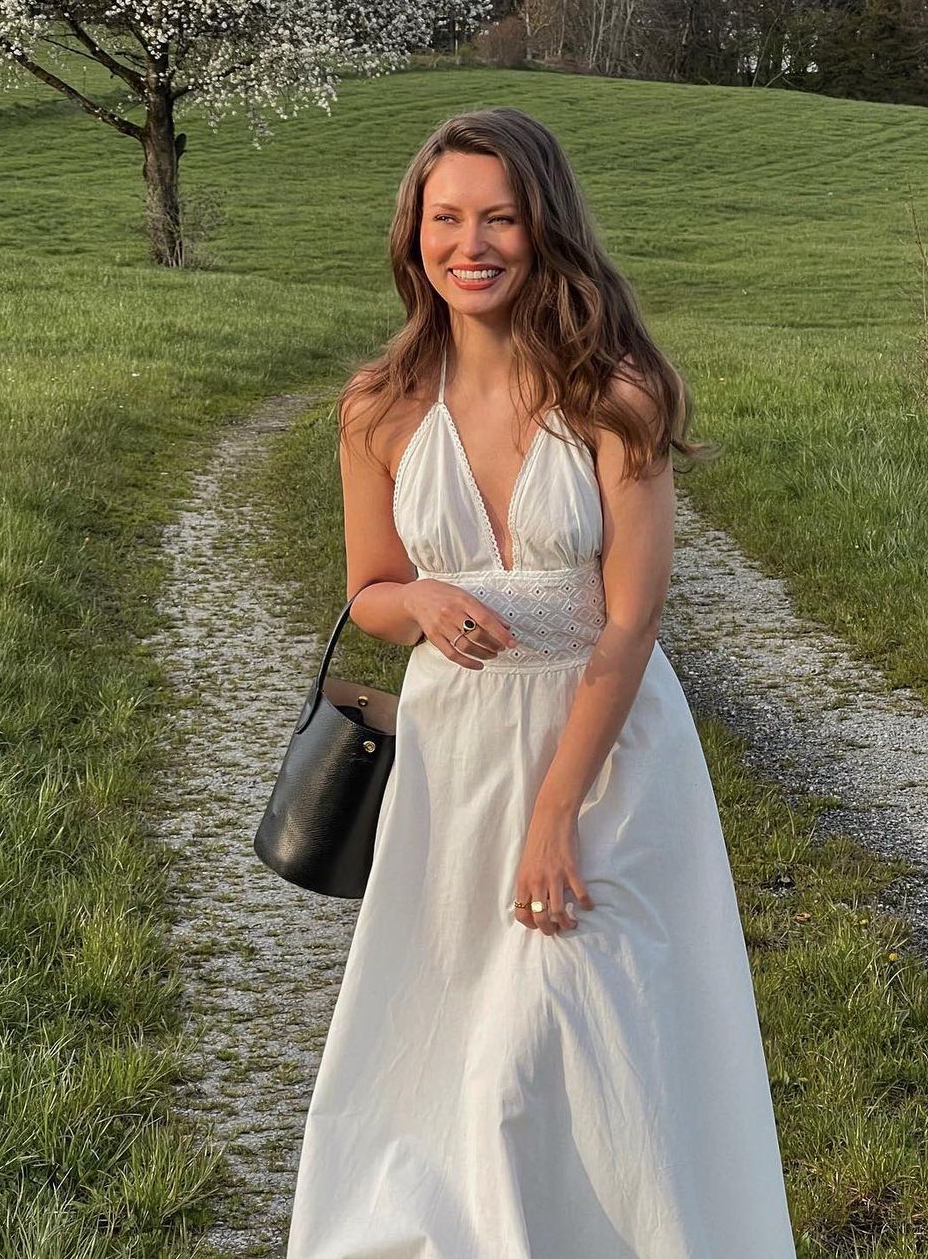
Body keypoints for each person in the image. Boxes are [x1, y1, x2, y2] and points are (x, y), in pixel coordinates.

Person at [285, 106, 797, 1257]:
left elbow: (630, 622)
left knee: (572, 1036)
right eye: (446, 217)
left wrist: (556, 813)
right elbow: (367, 587)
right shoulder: (378, 405)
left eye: (499, 217)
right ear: (413, 233)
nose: (470, 243)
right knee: (462, 1031)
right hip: (456, 759)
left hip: (604, 756)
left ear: (544, 227)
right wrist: (416, 601)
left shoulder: (615, 395)